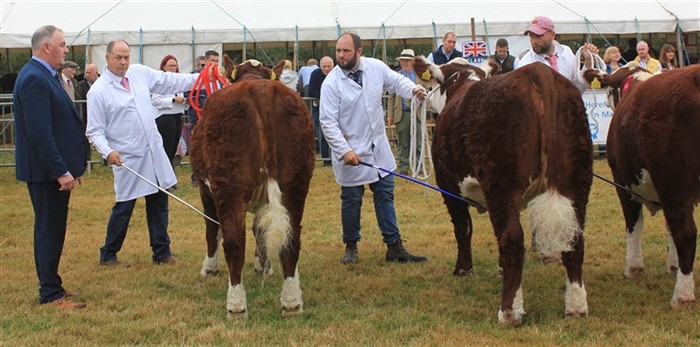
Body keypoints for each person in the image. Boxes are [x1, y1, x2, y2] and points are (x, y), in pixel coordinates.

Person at [86, 40, 203, 267]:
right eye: (118, 58)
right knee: (124, 206)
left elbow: (169, 80)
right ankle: (108, 254)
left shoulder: (139, 73)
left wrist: (201, 77)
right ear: (107, 59)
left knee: (159, 201)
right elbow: (94, 131)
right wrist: (108, 152)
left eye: (126, 57)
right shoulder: (98, 92)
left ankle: (162, 252)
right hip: (127, 157)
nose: (123, 62)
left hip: (153, 151)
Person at [319, 32, 428, 264]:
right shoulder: (331, 84)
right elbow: (327, 122)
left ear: (359, 51)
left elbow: (397, 81)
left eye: (346, 51)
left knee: (385, 195)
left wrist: (413, 90)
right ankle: (350, 246)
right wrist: (343, 150)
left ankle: (394, 246)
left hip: (378, 150)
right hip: (351, 152)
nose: (341, 55)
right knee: (351, 200)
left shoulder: (375, 67)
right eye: (338, 50)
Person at [13, 25, 87, 309]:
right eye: (62, 44)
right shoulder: (34, 77)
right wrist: (60, 170)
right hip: (45, 173)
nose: (66, 49)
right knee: (48, 229)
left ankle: (54, 285)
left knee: (54, 228)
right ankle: (50, 294)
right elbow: (40, 132)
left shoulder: (46, 75)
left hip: (50, 170)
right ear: (46, 47)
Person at [517, 16, 598, 92]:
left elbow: (578, 88)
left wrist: (588, 61)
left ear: (552, 35)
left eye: (539, 36)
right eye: (531, 36)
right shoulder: (525, 64)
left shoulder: (566, 51)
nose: (534, 41)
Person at [151, 55, 188, 171]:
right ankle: (164, 176)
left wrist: (185, 101)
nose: (173, 68)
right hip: (165, 117)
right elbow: (155, 101)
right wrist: (172, 100)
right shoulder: (159, 81)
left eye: (174, 66)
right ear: (164, 67)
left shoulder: (179, 80)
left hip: (177, 115)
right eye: (170, 66)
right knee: (166, 147)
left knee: (173, 148)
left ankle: (170, 175)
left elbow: (181, 97)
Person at [386, 48, 419, 175]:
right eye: (402, 60)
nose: (404, 63)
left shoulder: (420, 76)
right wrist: (390, 114)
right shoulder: (396, 76)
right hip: (402, 112)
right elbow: (391, 97)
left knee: (418, 141)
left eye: (407, 60)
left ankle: (418, 166)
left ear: (412, 62)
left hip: (417, 112)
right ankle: (403, 167)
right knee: (403, 141)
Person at [307, 56, 334, 167]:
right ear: (320, 66)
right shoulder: (315, 74)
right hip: (319, 109)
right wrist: (327, 95)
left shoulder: (338, 73)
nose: (327, 69)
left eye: (329, 66)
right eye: (324, 67)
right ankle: (326, 160)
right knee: (322, 134)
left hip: (335, 108)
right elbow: (311, 92)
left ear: (333, 66)